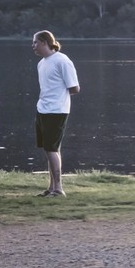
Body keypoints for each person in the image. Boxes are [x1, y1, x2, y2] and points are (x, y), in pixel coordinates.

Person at [32, 30, 80, 196]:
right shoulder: (42, 63)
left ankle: (59, 188)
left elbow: (74, 88)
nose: (33, 47)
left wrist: (58, 97)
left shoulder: (62, 60)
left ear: (45, 42)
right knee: (49, 148)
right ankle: (51, 187)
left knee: (52, 148)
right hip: (42, 109)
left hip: (57, 110)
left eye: (36, 42)